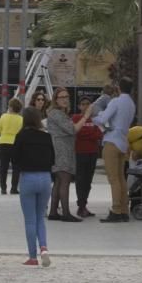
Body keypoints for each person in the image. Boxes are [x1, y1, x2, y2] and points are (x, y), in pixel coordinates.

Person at [13, 106, 54, 267]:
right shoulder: (47, 137)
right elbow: (53, 159)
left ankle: (32, 257)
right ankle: (44, 248)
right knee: (40, 218)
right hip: (45, 178)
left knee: (30, 220)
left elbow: (15, 160)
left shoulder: (21, 136)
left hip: (28, 178)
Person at [93, 77, 136, 223]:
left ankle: (116, 210)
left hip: (111, 141)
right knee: (121, 177)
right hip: (123, 142)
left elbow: (103, 118)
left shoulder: (116, 102)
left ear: (118, 87)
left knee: (113, 179)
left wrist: (95, 116)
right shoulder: (131, 104)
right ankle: (124, 210)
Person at [45, 88, 92, 222]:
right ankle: (66, 213)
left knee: (59, 182)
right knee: (64, 180)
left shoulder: (60, 113)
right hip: (61, 151)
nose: (65, 99)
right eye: (61, 97)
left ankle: (53, 212)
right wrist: (85, 116)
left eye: (66, 96)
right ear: (55, 100)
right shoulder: (56, 113)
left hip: (63, 149)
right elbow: (72, 130)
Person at [73, 95, 103, 218]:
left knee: (88, 181)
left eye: (88, 104)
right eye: (83, 104)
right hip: (80, 153)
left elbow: (99, 135)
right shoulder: (75, 118)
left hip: (92, 153)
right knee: (80, 180)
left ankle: (84, 204)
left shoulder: (95, 119)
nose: (85, 106)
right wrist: (91, 134)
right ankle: (80, 206)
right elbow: (78, 133)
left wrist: (88, 134)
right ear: (79, 106)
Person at [0, 98, 24, 195]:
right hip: (15, 144)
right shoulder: (21, 119)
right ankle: (14, 188)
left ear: (11, 107)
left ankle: (3, 188)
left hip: (3, 142)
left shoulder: (3, 117)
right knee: (16, 167)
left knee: (3, 167)